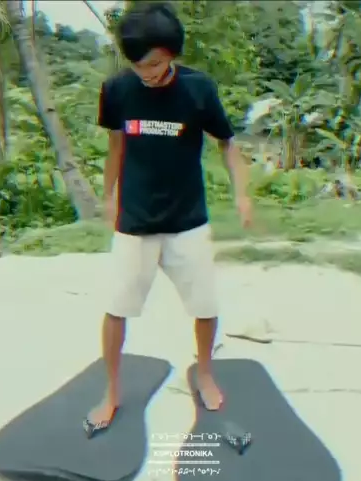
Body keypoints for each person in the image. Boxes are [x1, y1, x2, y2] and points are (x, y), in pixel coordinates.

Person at [83, 2, 252, 436]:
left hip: (187, 219)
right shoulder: (117, 89)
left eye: (155, 64)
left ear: (172, 54)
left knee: (205, 306)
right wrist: (108, 196)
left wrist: (242, 194)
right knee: (116, 309)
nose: (146, 73)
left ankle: (205, 373)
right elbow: (116, 147)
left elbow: (228, 143)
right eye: (138, 65)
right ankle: (111, 391)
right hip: (135, 219)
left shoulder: (198, 90)